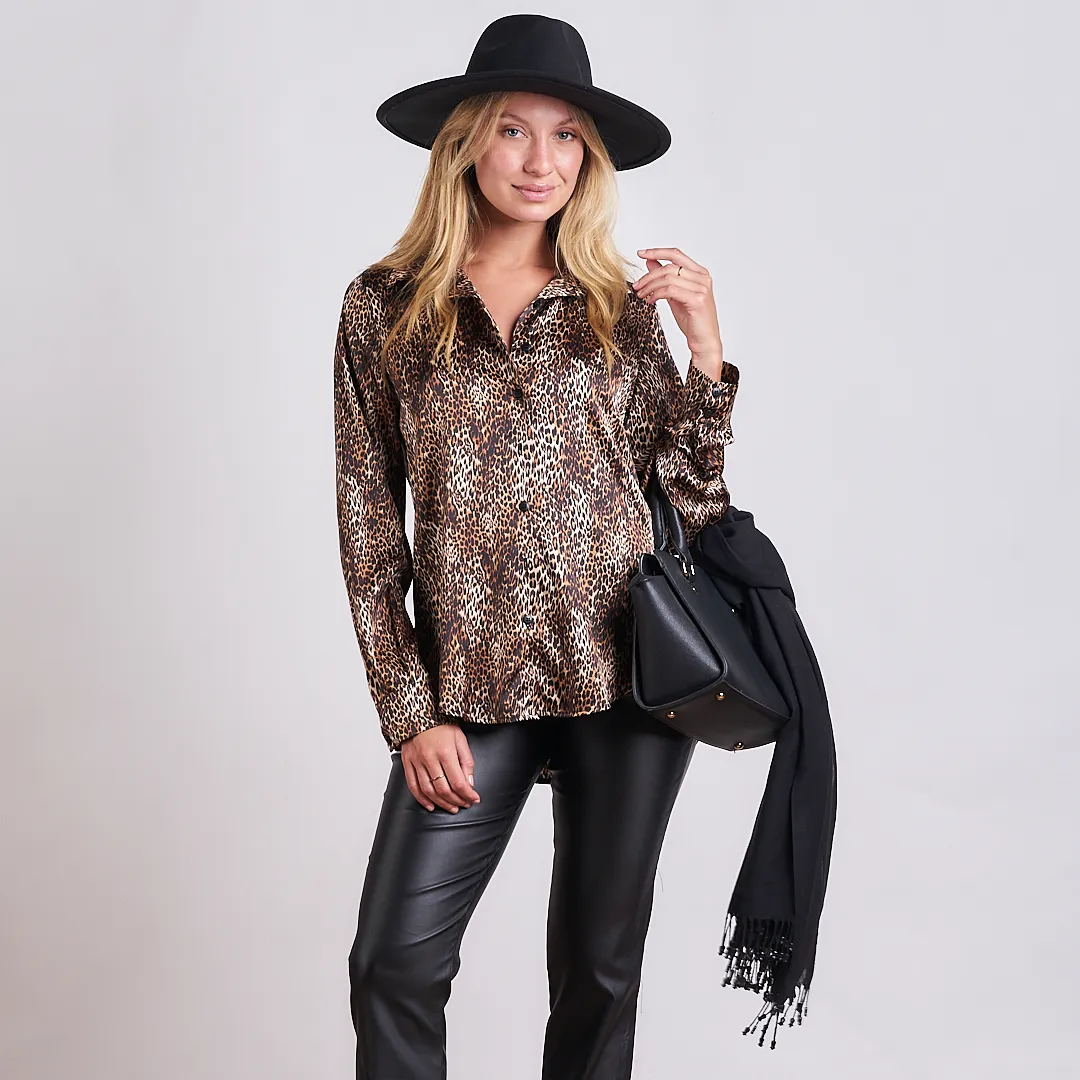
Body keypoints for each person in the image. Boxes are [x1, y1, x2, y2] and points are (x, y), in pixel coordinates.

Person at [333, 15, 740, 1078]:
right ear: (467, 142)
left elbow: (691, 502)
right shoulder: (385, 306)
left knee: (599, 975)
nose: (540, 161)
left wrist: (704, 349)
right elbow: (368, 524)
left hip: (627, 679)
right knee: (392, 964)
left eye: (566, 138)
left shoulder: (616, 308)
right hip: (469, 688)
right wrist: (409, 711)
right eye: (513, 130)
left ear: (589, 162)